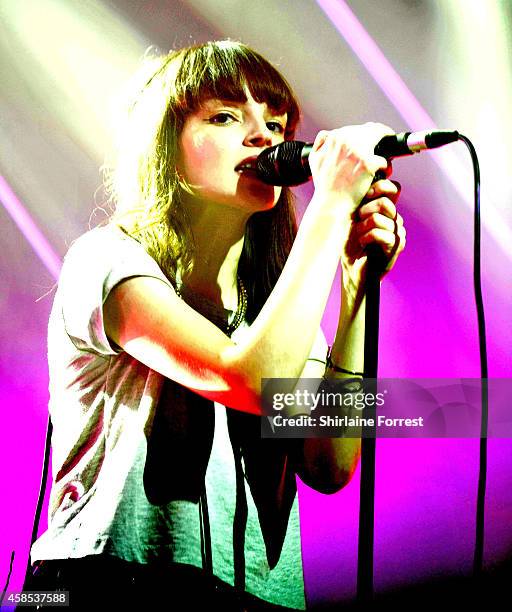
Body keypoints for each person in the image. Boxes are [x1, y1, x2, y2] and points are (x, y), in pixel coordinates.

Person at [25, 40, 405, 610]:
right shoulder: (107, 260)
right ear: (166, 145)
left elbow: (329, 464)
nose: (263, 138)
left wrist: (353, 294)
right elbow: (246, 377)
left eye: (275, 124)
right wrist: (330, 209)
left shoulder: (276, 317)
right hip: (108, 583)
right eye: (226, 116)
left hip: (257, 594)